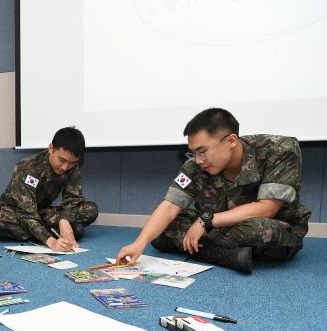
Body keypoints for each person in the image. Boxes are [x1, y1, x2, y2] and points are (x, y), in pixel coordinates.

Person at [115, 108, 311, 273]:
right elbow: (169, 206)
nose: (198, 160)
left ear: (231, 141)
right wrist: (139, 243)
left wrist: (206, 221)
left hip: (271, 227)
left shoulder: (280, 150)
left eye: (202, 151)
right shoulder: (195, 166)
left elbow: (267, 208)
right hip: (217, 227)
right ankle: (228, 255)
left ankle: (201, 249)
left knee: (259, 229)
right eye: (193, 153)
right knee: (159, 226)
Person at [0, 126, 98, 252]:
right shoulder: (28, 167)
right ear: (51, 149)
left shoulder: (72, 167)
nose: (65, 167)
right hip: (15, 211)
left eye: (72, 163)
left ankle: (29, 232)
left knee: (90, 209)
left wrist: (64, 220)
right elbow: (26, 213)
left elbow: (73, 199)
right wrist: (50, 241)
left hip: (42, 211)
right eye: (62, 160)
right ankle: (46, 233)